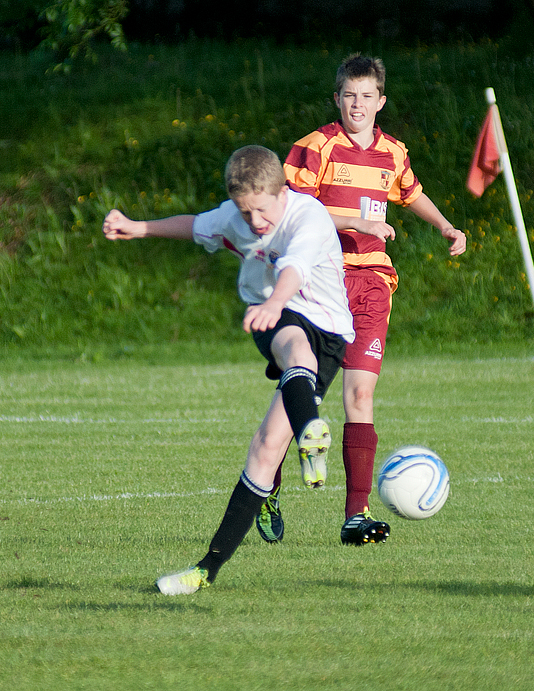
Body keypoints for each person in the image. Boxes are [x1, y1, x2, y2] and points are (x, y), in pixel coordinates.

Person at [102, 145, 355, 595]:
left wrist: (277, 299)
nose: (254, 222)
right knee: (293, 347)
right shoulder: (235, 218)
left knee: (265, 447)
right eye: (245, 211)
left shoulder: (308, 217)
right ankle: (310, 433)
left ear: (282, 192)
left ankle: (305, 438)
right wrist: (137, 228)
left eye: (261, 210)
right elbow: (195, 225)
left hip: (328, 328)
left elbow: (294, 268)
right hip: (272, 316)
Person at [254, 53, 466, 547]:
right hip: (319, 283)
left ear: (381, 101)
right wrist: (359, 223)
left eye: (367, 96)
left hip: (371, 284)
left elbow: (410, 193)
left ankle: (355, 514)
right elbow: (293, 215)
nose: (357, 104)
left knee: (360, 395)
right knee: (302, 395)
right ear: (337, 99)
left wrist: (445, 226)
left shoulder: (393, 151)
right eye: (349, 95)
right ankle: (268, 483)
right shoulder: (315, 147)